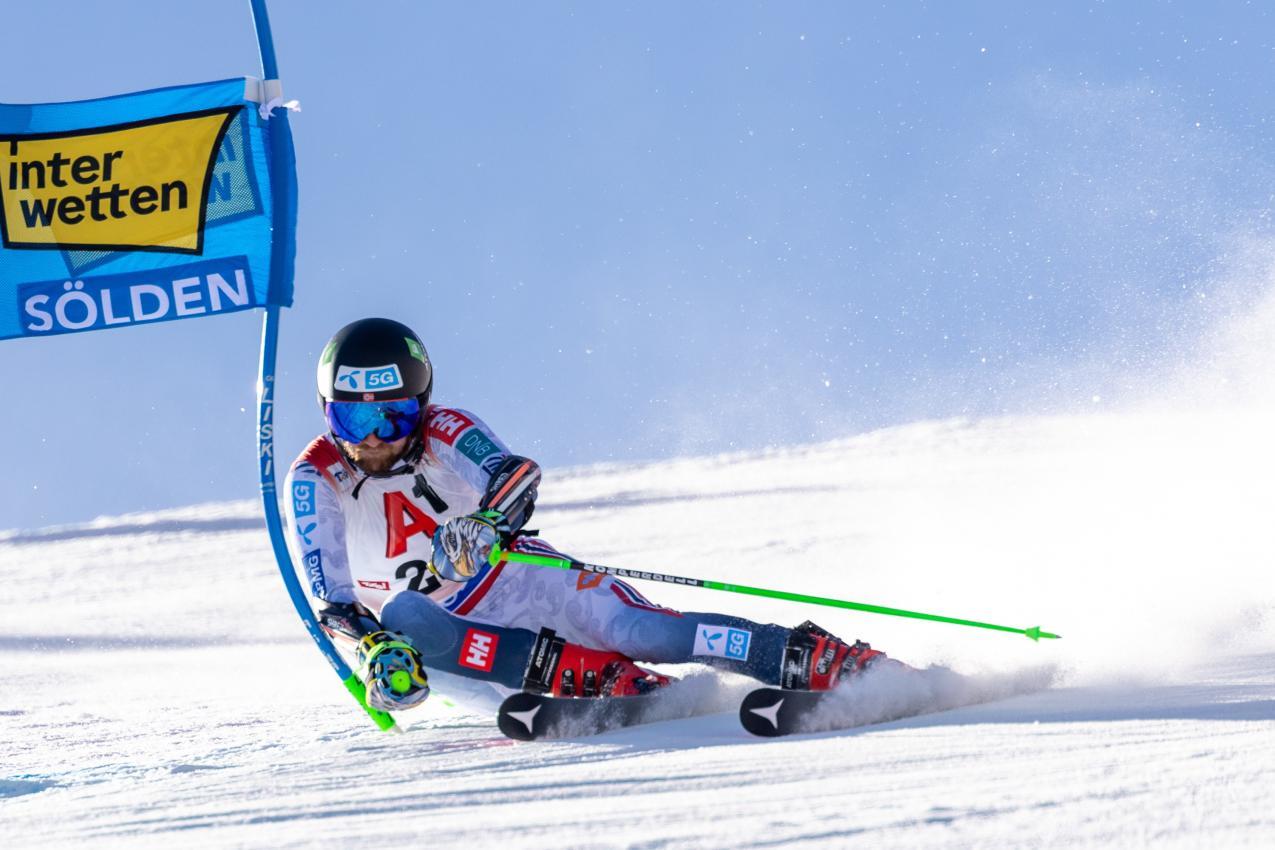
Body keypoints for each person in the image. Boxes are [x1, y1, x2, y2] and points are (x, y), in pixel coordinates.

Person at [285, 317, 895, 714]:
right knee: (404, 615)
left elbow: (515, 473)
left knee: (645, 632)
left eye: (391, 417)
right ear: (327, 413)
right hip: (455, 642)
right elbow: (332, 603)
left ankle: (816, 659)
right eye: (352, 420)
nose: (374, 440)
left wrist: (488, 522)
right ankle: (606, 684)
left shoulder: (447, 428)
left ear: (420, 406)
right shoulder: (314, 479)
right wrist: (371, 651)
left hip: (515, 579)